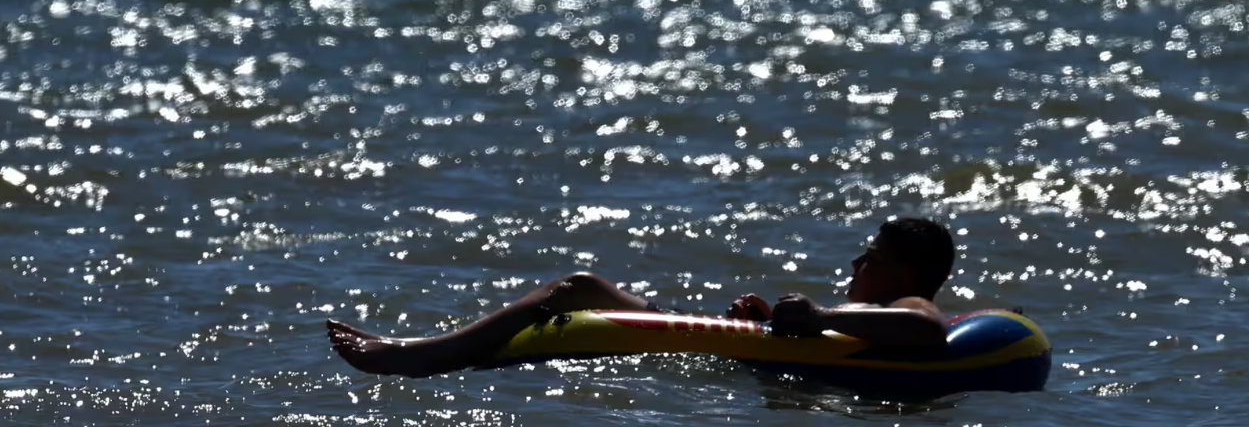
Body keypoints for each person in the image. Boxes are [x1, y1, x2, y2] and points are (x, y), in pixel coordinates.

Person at [326, 216, 955, 377]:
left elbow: (927, 331)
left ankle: (419, 355)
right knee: (588, 285)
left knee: (577, 288)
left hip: (749, 368)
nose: (856, 261)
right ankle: (425, 351)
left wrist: (816, 316)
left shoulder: (908, 307)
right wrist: (771, 323)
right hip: (748, 357)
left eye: (870, 255)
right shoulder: (880, 307)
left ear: (901, 272)